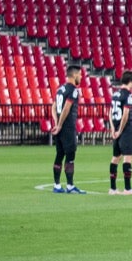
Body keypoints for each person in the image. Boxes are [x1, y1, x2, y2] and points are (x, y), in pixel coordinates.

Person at [49, 64, 87, 194]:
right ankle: (70, 186)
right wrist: (59, 125)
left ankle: (57, 185)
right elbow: (66, 107)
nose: (81, 77)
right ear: (75, 75)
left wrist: (56, 122)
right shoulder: (73, 90)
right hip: (68, 127)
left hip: (60, 128)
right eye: (80, 75)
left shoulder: (60, 89)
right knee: (70, 156)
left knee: (59, 155)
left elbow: (53, 107)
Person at [107, 70, 132, 195]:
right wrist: (120, 130)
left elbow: (109, 113)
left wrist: (113, 129)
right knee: (128, 158)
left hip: (115, 129)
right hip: (126, 130)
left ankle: (112, 188)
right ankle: (127, 189)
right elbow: (126, 114)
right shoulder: (129, 95)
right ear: (131, 82)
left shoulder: (115, 95)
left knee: (115, 158)